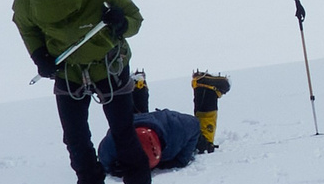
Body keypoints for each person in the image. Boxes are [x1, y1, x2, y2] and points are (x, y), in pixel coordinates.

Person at [13, 0, 154, 184]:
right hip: (69, 71)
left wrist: (121, 23)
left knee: (123, 131)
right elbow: (28, 30)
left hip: (109, 66)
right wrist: (38, 55)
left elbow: (135, 20)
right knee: (75, 136)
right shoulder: (25, 5)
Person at [98, 72, 230, 175]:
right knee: (132, 117)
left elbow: (194, 125)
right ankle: (136, 87)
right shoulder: (116, 142)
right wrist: (115, 168)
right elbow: (103, 159)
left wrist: (179, 161)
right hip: (135, 124)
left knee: (202, 144)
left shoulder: (176, 129)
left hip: (163, 123)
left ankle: (207, 89)